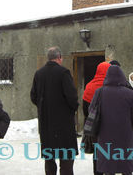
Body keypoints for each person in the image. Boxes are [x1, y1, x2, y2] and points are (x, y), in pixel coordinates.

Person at [30, 46, 79, 175]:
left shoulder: (38, 74)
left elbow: (33, 96)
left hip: (46, 122)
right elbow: (72, 97)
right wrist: (71, 109)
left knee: (49, 159)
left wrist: (43, 107)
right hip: (64, 124)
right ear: (59, 58)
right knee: (66, 158)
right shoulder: (64, 73)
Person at [92, 65, 133, 175]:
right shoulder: (129, 93)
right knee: (126, 168)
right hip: (124, 136)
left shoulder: (99, 93)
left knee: (108, 167)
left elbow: (92, 112)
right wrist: (129, 130)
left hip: (104, 136)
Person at [82, 61, 111, 175]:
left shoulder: (89, 86)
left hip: (95, 128)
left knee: (97, 153)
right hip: (109, 127)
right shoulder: (111, 86)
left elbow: (85, 109)